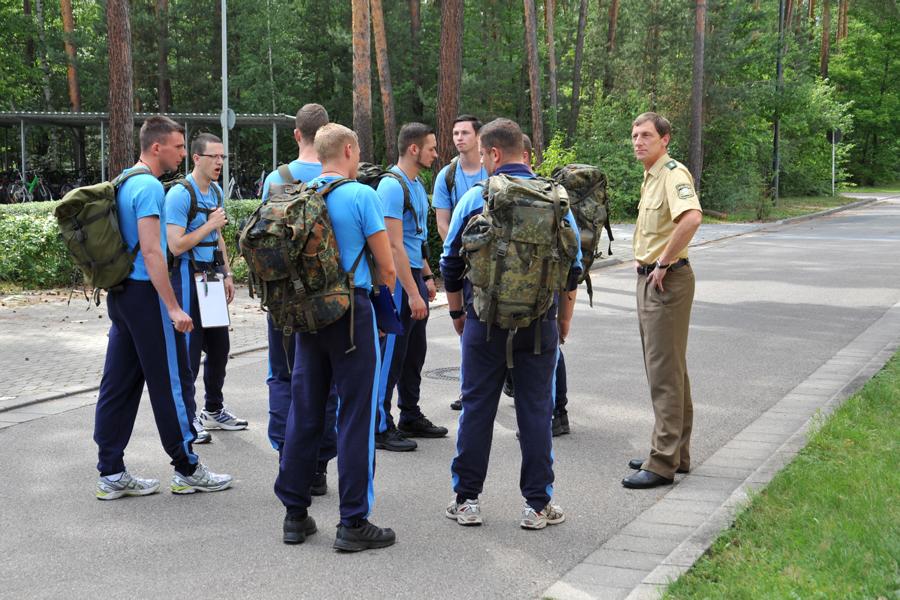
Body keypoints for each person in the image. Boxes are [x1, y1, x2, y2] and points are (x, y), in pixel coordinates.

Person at [440, 118, 581, 529]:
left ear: (495, 153)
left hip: (484, 322)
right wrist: (563, 319)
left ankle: (467, 501)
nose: (482, 162)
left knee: (476, 409)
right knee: (536, 411)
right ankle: (537, 506)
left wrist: (458, 314)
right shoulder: (556, 199)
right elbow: (573, 268)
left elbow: (450, 263)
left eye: (484, 155)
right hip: (539, 324)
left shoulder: (476, 197)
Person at [93, 116, 232, 500]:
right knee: (171, 381)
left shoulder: (125, 179)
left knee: (117, 384)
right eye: (179, 146)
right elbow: (153, 252)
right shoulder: (151, 187)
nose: (183, 153)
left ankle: (110, 471)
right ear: (157, 147)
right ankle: (187, 468)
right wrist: (172, 306)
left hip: (121, 295)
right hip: (145, 296)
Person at [275, 123, 397, 551]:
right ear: (348, 150)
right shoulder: (361, 195)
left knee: (305, 412)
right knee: (356, 416)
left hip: (307, 315)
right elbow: (386, 266)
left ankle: (295, 515)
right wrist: (381, 307)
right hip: (351, 314)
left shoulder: (296, 195)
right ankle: (353, 521)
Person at [623, 112, 702, 490]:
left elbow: (691, 218)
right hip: (654, 280)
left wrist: (663, 262)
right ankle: (676, 453)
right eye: (635, 136)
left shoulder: (672, 173)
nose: (638, 141)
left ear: (665, 139)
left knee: (663, 374)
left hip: (665, 282)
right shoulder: (651, 175)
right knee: (671, 370)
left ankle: (662, 462)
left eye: (646, 135)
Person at [259, 103, 334, 495]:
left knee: (282, 375)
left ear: (296, 134)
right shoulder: (335, 176)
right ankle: (318, 466)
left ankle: (286, 456)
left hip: (283, 299)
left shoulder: (277, 179)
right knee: (325, 382)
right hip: (327, 299)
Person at [166, 133, 247, 445]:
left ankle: (213, 410)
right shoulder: (180, 194)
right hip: (187, 277)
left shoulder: (215, 191)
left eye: (222, 157)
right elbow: (175, 245)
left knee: (219, 348)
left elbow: (218, 238)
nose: (219, 162)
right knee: (188, 354)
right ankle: (187, 421)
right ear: (196, 158)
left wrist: (226, 272)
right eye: (214, 156)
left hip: (211, 278)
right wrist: (210, 225)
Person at [374, 123, 447, 452]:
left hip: (414, 276)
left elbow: (416, 238)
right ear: (414, 149)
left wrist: (427, 277)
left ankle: (410, 414)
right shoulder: (392, 186)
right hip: (398, 283)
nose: (436, 153)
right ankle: (379, 425)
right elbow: (392, 246)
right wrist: (412, 292)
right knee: (391, 355)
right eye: (431, 148)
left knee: (414, 353)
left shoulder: (416, 185)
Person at [434, 116, 488, 413]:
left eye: (465, 132)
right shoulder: (447, 175)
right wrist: (459, 254)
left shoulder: (490, 168)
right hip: (463, 260)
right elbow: (444, 223)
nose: (458, 138)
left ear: (479, 137)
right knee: (468, 328)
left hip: (492, 259)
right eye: (455, 133)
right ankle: (468, 389)